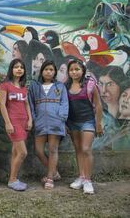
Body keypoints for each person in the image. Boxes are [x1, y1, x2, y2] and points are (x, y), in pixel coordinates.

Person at [28, 60, 69, 189]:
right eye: (46, 69)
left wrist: (61, 116)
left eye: (51, 70)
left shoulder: (60, 86)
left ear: (54, 72)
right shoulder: (35, 86)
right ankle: (55, 172)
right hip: (40, 122)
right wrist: (34, 118)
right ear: (42, 71)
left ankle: (50, 178)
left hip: (55, 121)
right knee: (39, 151)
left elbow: (64, 102)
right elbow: (30, 103)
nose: (48, 72)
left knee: (52, 150)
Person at [66, 60, 103, 194]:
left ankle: (88, 180)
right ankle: (81, 177)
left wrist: (98, 124)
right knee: (78, 150)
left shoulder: (90, 85)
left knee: (86, 149)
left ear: (83, 71)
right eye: (71, 70)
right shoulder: (66, 86)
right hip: (72, 122)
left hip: (88, 121)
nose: (74, 72)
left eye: (77, 69)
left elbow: (98, 105)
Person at [0, 59, 32, 191]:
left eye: (21, 67)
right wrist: (7, 123)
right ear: (11, 69)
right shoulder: (5, 85)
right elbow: (2, 104)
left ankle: (13, 178)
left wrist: (30, 120)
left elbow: (27, 104)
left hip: (24, 121)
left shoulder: (24, 87)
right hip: (13, 122)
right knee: (23, 153)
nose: (19, 69)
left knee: (15, 152)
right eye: (16, 67)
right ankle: (12, 180)